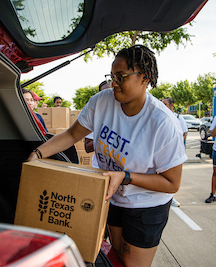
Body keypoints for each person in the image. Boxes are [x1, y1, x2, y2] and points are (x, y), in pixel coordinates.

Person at [28, 45, 187, 267]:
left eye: (121, 77)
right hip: (112, 196)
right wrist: (37, 153)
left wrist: (126, 176)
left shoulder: (162, 123)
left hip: (146, 206)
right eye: (112, 76)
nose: (114, 83)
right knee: (116, 257)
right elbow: (72, 134)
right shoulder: (101, 102)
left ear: (145, 77)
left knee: (131, 264)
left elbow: (172, 183)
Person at [162, 97, 188, 207]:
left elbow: (183, 134)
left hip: (173, 153)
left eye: (165, 104)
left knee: (173, 178)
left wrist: (175, 148)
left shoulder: (178, 118)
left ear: (171, 105)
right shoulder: (161, 116)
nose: (162, 105)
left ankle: (172, 198)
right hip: (164, 152)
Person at [84, 80, 111, 168]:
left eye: (112, 91)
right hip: (100, 169)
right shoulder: (95, 116)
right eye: (104, 93)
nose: (109, 95)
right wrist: (106, 139)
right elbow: (87, 147)